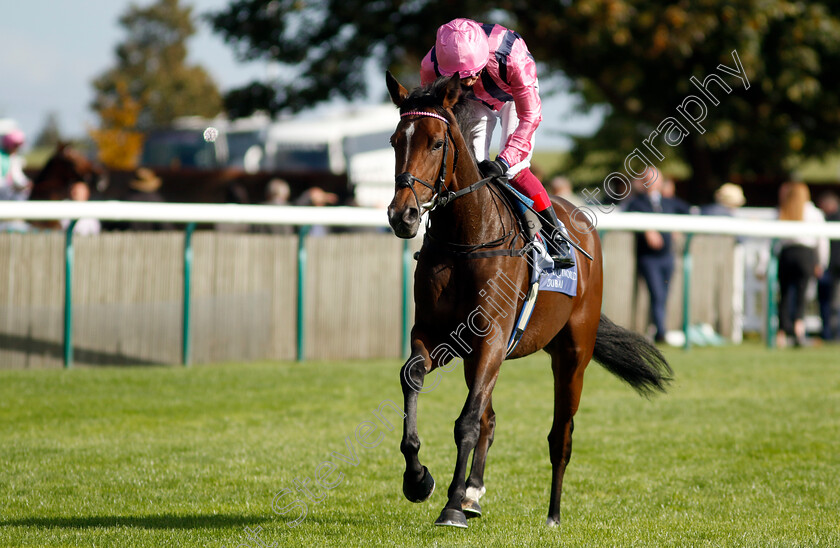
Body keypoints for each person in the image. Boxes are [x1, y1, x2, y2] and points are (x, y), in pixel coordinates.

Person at [420, 18, 573, 269]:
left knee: (515, 169)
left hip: (513, 95)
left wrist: (503, 162)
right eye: (458, 78)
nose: (466, 82)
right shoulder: (430, 66)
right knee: (470, 168)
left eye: (470, 75)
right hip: (476, 102)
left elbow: (530, 117)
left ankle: (554, 233)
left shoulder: (513, 57)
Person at [624, 169, 691, 343]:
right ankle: (661, 332)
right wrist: (646, 229)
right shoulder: (637, 203)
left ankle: (658, 329)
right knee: (657, 294)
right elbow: (629, 213)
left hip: (667, 257)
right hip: (649, 258)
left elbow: (690, 212)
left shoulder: (669, 202)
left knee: (664, 295)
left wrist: (678, 227)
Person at [774, 182, 829, 348]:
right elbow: (822, 240)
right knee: (801, 295)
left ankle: (781, 334)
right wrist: (821, 262)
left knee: (783, 296)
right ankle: (799, 331)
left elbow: (773, 240)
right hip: (806, 255)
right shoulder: (814, 213)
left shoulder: (783, 211)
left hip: (787, 254)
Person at [816, 192, 840, 341]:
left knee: (832, 303)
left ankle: (832, 335)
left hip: (833, 266)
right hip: (830, 266)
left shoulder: (827, 219)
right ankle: (829, 334)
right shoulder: (825, 218)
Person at [0, 129, 32, 201]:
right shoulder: (1, 157)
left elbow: (17, 176)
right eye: (15, 145)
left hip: (11, 194)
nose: (17, 148)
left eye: (18, 146)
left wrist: (26, 184)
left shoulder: (14, 158)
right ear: (8, 144)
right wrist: (12, 187)